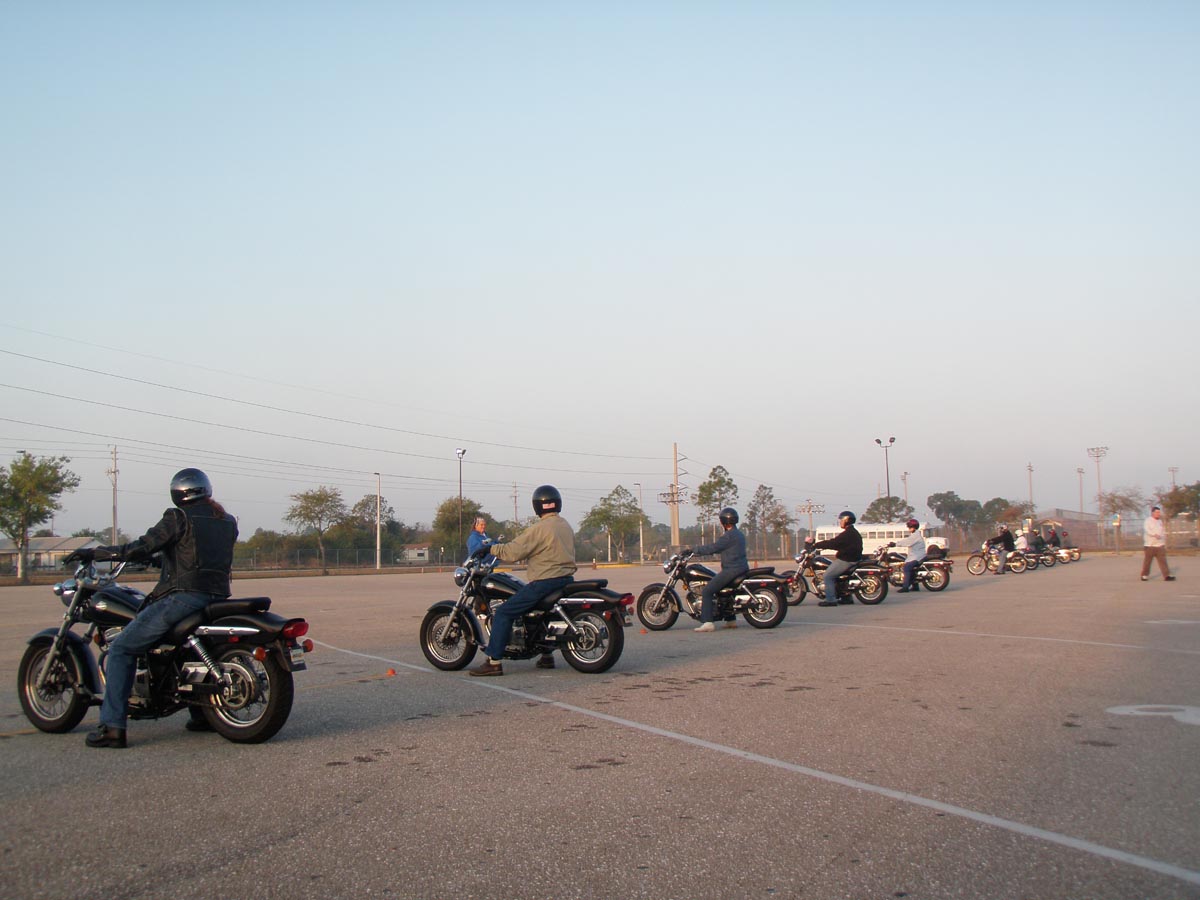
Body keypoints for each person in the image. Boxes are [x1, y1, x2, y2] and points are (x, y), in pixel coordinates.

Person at [64, 468, 238, 749]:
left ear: (177, 493)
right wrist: (160, 562)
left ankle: (112, 727)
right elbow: (196, 557)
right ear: (205, 489)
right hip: (217, 596)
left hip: (183, 597)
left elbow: (142, 546)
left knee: (121, 649)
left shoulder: (178, 517)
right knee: (183, 650)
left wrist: (97, 552)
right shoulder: (226, 520)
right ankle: (203, 715)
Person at [469, 485, 576, 676]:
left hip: (545, 581)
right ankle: (546, 656)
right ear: (557, 503)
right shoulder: (565, 525)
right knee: (541, 614)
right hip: (565, 579)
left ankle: (493, 661)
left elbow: (514, 551)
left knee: (504, 612)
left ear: (537, 506)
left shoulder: (540, 528)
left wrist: (491, 549)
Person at [685, 507, 748, 632]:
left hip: (732, 570)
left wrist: (693, 550)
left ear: (723, 521)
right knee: (725, 592)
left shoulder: (728, 536)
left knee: (707, 591)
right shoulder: (739, 534)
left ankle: (708, 622)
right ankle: (730, 620)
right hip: (740, 568)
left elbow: (713, 548)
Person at [806, 511, 864, 607]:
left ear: (846, 520)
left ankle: (830, 600)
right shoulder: (852, 532)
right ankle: (846, 598)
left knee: (827, 576)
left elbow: (834, 543)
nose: (840, 522)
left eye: (841, 520)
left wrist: (816, 545)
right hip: (852, 558)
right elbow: (837, 544)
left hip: (847, 560)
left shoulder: (848, 534)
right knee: (839, 577)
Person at [891, 518, 926, 593]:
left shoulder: (915, 536)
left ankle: (905, 587)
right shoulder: (915, 535)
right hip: (916, 555)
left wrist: (895, 544)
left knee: (906, 567)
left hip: (917, 556)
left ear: (913, 527)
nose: (909, 528)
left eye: (910, 527)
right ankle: (915, 586)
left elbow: (907, 542)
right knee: (911, 569)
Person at [1140, 506, 1175, 582]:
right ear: (1153, 513)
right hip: (1150, 545)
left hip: (1159, 545)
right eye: (1157, 512)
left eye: (1159, 512)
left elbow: (1162, 532)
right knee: (1147, 561)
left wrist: (1163, 542)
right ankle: (1144, 575)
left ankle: (1167, 575)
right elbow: (1147, 530)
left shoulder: (1160, 522)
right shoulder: (1148, 521)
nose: (1158, 514)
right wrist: (1154, 534)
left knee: (1163, 561)